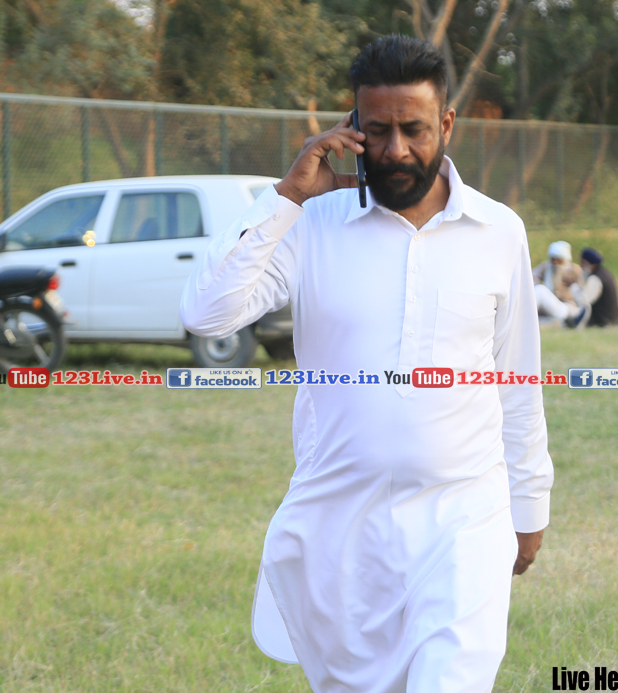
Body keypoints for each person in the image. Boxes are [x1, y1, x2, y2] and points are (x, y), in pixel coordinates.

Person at [181, 35, 553, 693]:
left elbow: (517, 380)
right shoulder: (311, 225)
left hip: (464, 517)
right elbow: (207, 313)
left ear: (446, 124)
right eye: (377, 131)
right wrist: (287, 197)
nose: (396, 150)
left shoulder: (499, 232)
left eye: (414, 129)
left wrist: (529, 503)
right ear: (352, 128)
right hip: (341, 533)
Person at [532, 240, 589, 328]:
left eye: (558, 260)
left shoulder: (574, 270)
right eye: (553, 259)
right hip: (547, 306)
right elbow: (532, 277)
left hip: (567, 305)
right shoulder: (546, 266)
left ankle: (570, 319)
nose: (555, 263)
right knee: (539, 290)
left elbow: (580, 293)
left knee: (540, 290)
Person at [579, 247, 618, 327]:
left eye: (583, 263)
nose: (581, 266)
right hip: (612, 320)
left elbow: (583, 301)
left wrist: (574, 286)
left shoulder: (595, 279)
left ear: (590, 264)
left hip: (602, 322)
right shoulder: (605, 273)